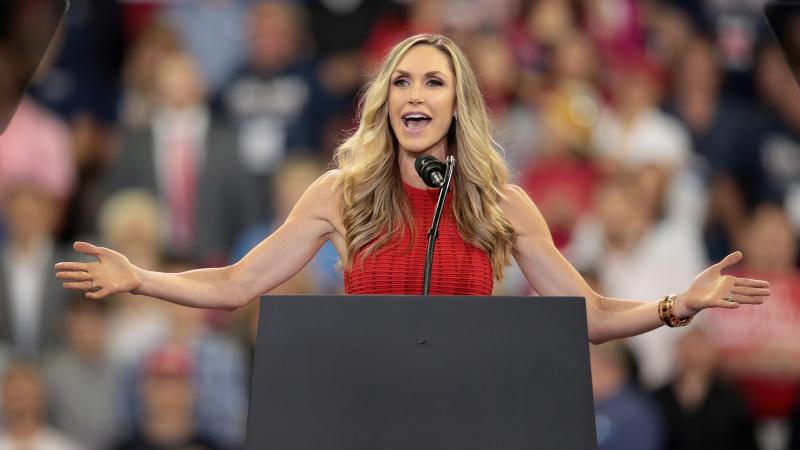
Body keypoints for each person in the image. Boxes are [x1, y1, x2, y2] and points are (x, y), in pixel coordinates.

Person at [55, 34, 770, 344]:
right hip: (365, 403)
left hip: (465, 406)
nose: (415, 93)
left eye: (434, 81)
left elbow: (590, 315)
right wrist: (139, 277)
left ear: (458, 103)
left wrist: (680, 304)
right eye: (401, 80)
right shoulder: (342, 194)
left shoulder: (500, 203)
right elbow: (236, 284)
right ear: (385, 100)